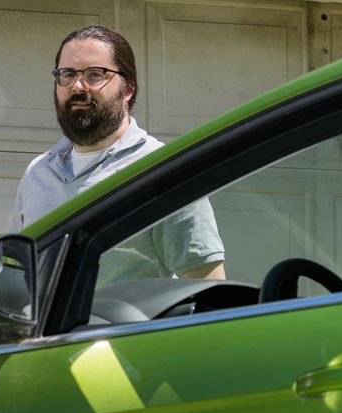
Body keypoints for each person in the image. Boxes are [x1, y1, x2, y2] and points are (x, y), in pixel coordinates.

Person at [13, 25, 225, 282]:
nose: (78, 86)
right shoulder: (37, 173)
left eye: (95, 74)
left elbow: (206, 288)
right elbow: (17, 276)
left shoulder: (163, 170)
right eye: (67, 74)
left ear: (128, 90)